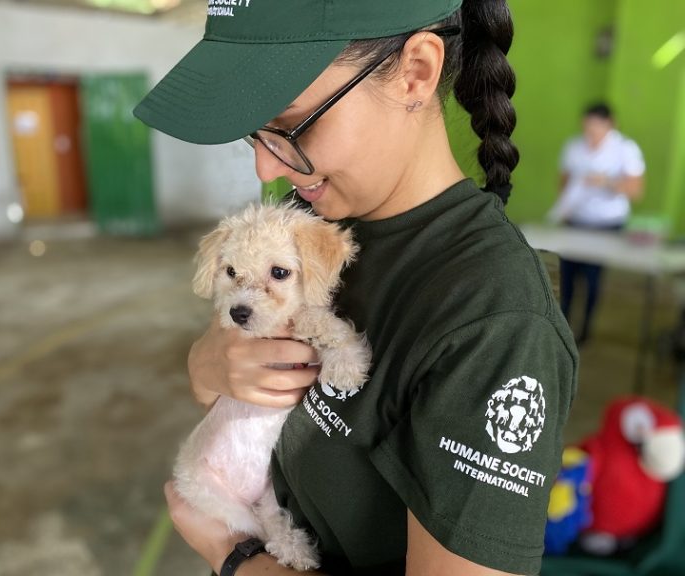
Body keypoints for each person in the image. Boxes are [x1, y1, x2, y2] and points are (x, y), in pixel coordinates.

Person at [134, 1, 578, 575]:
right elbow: (230, 359)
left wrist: (233, 556)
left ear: (416, 71)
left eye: (291, 125)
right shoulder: (308, 215)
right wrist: (206, 362)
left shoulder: (495, 321)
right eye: (254, 134)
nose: (267, 171)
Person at [549, 103, 645, 346]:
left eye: (596, 126)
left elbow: (636, 190)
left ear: (610, 124)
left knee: (592, 280)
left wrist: (608, 182)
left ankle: (585, 330)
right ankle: (563, 327)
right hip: (576, 221)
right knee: (567, 277)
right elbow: (564, 182)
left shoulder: (625, 149)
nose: (590, 131)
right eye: (587, 125)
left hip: (607, 224)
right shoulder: (574, 146)